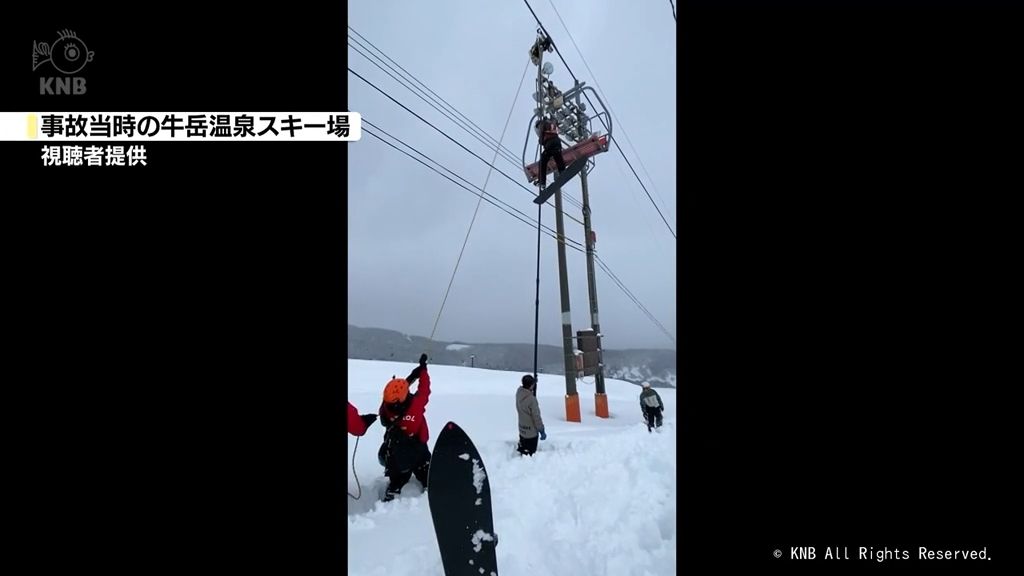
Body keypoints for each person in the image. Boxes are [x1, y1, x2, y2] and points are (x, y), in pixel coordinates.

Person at [377, 353, 431, 502]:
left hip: (396, 450)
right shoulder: (417, 404)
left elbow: (399, 392)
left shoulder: (385, 409)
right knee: (426, 470)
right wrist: (423, 371)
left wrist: (413, 375)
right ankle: (429, 485)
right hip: (419, 446)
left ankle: (393, 490)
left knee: (398, 475)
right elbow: (425, 389)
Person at [516, 374, 546, 456]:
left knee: (522, 448)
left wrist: (533, 382)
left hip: (522, 430)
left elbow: (527, 390)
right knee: (530, 454)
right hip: (531, 434)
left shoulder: (519, 393)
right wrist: (541, 430)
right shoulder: (532, 400)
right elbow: (536, 417)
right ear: (531, 385)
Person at [535, 118, 566, 190]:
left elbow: (541, 141)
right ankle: (562, 171)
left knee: (543, 161)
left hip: (550, 144)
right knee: (557, 156)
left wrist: (540, 138)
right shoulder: (550, 125)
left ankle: (542, 182)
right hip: (556, 143)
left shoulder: (542, 126)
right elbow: (555, 123)